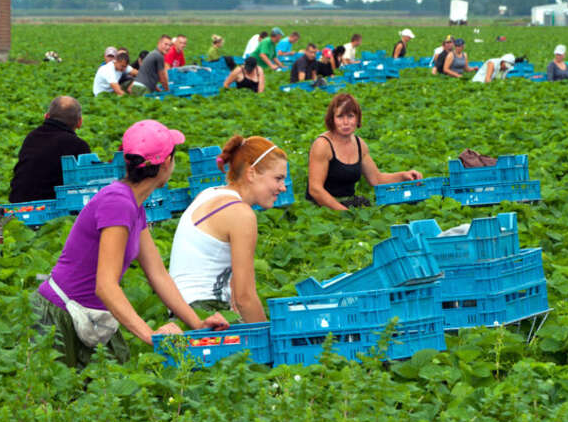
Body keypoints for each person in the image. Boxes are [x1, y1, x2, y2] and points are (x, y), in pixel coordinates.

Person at [33, 120, 228, 369]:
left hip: (92, 318)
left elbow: (157, 274)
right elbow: (105, 285)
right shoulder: (118, 203)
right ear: (167, 163)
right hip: (61, 316)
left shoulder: (133, 205)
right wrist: (150, 335)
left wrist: (197, 324)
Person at [169, 135, 287, 322]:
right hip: (205, 309)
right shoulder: (240, 213)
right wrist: (268, 340)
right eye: (278, 178)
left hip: (181, 311)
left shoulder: (209, 194)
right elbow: (244, 298)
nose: (283, 188)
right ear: (252, 173)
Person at [306, 93, 422, 210]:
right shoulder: (323, 145)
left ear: (357, 118)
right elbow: (315, 189)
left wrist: (404, 176)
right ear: (332, 119)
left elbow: (376, 179)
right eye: (340, 117)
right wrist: (344, 212)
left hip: (348, 203)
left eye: (350, 116)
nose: (346, 122)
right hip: (323, 208)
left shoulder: (359, 144)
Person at [9, 96, 91, 203]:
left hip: (18, 202)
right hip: (54, 207)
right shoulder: (78, 145)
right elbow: (87, 184)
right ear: (79, 122)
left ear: (46, 117)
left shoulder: (32, 137)